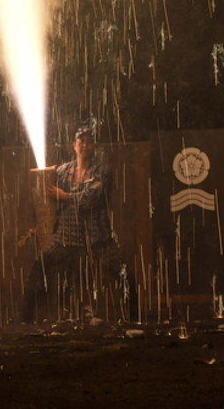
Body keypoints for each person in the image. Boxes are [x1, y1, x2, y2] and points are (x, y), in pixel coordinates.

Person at [21, 126, 137, 323]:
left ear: (94, 146)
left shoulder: (102, 171)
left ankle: (135, 317)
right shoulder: (62, 171)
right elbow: (46, 200)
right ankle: (27, 318)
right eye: (80, 141)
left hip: (96, 235)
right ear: (74, 146)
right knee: (39, 265)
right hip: (66, 235)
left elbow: (92, 197)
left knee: (123, 272)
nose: (84, 145)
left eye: (89, 141)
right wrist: (43, 223)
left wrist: (65, 196)